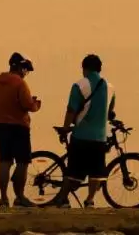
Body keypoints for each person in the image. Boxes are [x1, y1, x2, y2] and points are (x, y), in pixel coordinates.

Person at [51, 54, 109, 208]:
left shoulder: (80, 85)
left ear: (85, 68)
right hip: (100, 138)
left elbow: (71, 109)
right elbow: (110, 110)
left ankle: (62, 199)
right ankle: (90, 201)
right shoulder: (110, 87)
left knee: (74, 170)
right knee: (96, 172)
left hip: (81, 136)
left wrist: (65, 128)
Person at [0, 52, 42, 207]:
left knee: (5, 161)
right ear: (19, 67)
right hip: (19, 127)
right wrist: (36, 105)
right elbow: (27, 105)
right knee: (22, 162)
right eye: (25, 69)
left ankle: (3, 198)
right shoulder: (20, 83)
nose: (25, 73)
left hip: (0, 126)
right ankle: (20, 196)